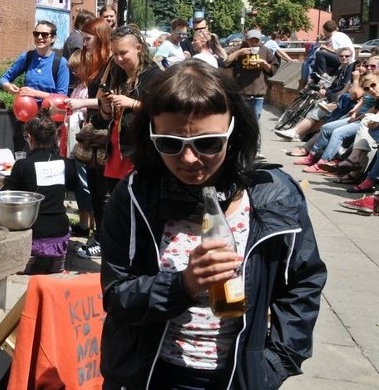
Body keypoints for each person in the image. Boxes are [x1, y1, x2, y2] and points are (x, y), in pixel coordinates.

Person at [100, 60, 327, 389]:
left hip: (237, 377)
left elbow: (303, 284)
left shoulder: (275, 194)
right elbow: (117, 297)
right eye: (170, 143)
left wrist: (274, 363)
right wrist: (184, 284)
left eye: (207, 143)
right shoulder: (135, 196)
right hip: (150, 375)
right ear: (151, 136)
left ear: (233, 131)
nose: (189, 159)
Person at [78, 24, 159, 259]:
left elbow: (165, 110)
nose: (118, 58)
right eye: (115, 53)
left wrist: (132, 103)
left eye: (123, 53)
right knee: (116, 204)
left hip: (139, 153)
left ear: (139, 49)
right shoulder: (116, 73)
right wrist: (104, 106)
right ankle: (117, 249)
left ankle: (136, 254)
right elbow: (103, 122)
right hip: (115, 152)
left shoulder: (153, 76)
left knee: (138, 207)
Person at [1, 113, 72, 274]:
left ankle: (27, 256)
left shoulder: (22, 165)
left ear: (29, 137)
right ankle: (57, 256)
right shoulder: (64, 163)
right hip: (59, 226)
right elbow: (73, 185)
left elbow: (7, 193)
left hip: (31, 227)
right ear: (54, 137)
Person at [66, 17, 112, 241]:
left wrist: (81, 104)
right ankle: (98, 235)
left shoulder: (109, 65)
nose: (84, 44)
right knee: (93, 187)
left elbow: (107, 101)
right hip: (93, 132)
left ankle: (101, 237)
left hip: (104, 135)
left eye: (87, 39)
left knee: (101, 189)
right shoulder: (96, 63)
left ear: (100, 38)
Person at [223, 29, 279, 160]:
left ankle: (256, 149)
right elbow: (225, 62)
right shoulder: (240, 48)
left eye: (256, 41)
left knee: (254, 123)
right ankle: (238, 149)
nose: (254, 43)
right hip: (241, 94)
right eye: (251, 40)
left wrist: (265, 64)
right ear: (246, 40)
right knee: (239, 123)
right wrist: (238, 53)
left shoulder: (265, 51)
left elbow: (273, 69)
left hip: (258, 94)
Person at [0, 20, 70, 101]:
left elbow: (62, 97)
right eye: (36, 34)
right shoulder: (27, 56)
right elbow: (4, 78)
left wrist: (35, 93)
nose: (39, 37)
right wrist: (8, 86)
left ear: (53, 38)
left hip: (49, 111)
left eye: (44, 35)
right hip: (26, 110)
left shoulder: (60, 62)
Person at [63, 10, 96, 93]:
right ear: (81, 24)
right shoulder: (77, 38)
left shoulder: (76, 36)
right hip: (75, 82)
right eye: (89, 24)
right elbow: (79, 61)